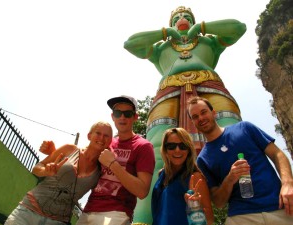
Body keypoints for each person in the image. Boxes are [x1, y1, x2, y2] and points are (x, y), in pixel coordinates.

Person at [124, 6, 246, 224]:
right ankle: (142, 219)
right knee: (157, 150)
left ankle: (249, 212)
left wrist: (201, 27)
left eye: (187, 17)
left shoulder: (209, 41)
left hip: (211, 88)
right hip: (168, 92)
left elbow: (238, 28)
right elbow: (130, 44)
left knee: (235, 142)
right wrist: (165, 33)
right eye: (177, 17)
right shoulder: (161, 48)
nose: (182, 19)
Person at [187, 96, 293, 225]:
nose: (201, 118)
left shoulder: (245, 128)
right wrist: (230, 179)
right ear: (193, 122)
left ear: (213, 113)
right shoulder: (203, 159)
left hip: (280, 207)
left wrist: (287, 183)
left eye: (204, 112)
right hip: (241, 216)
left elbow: (277, 154)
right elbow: (219, 202)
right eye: (195, 116)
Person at [4, 121, 113, 225]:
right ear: (89, 136)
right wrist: (45, 171)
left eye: (106, 136)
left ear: (110, 141)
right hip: (27, 213)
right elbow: (37, 167)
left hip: (58, 221)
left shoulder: (100, 172)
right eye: (98, 133)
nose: (101, 138)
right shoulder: (69, 149)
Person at [76, 95, 155, 225]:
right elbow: (84, 158)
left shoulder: (143, 146)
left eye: (128, 113)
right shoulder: (106, 142)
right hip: (89, 210)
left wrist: (113, 164)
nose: (122, 117)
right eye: (118, 113)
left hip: (117, 213)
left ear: (135, 117)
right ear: (113, 116)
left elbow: (142, 191)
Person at [151, 127, 214, 225]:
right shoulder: (161, 174)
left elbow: (209, 220)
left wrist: (195, 206)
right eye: (171, 146)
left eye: (182, 146)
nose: (177, 150)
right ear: (165, 149)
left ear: (188, 149)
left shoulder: (195, 177)